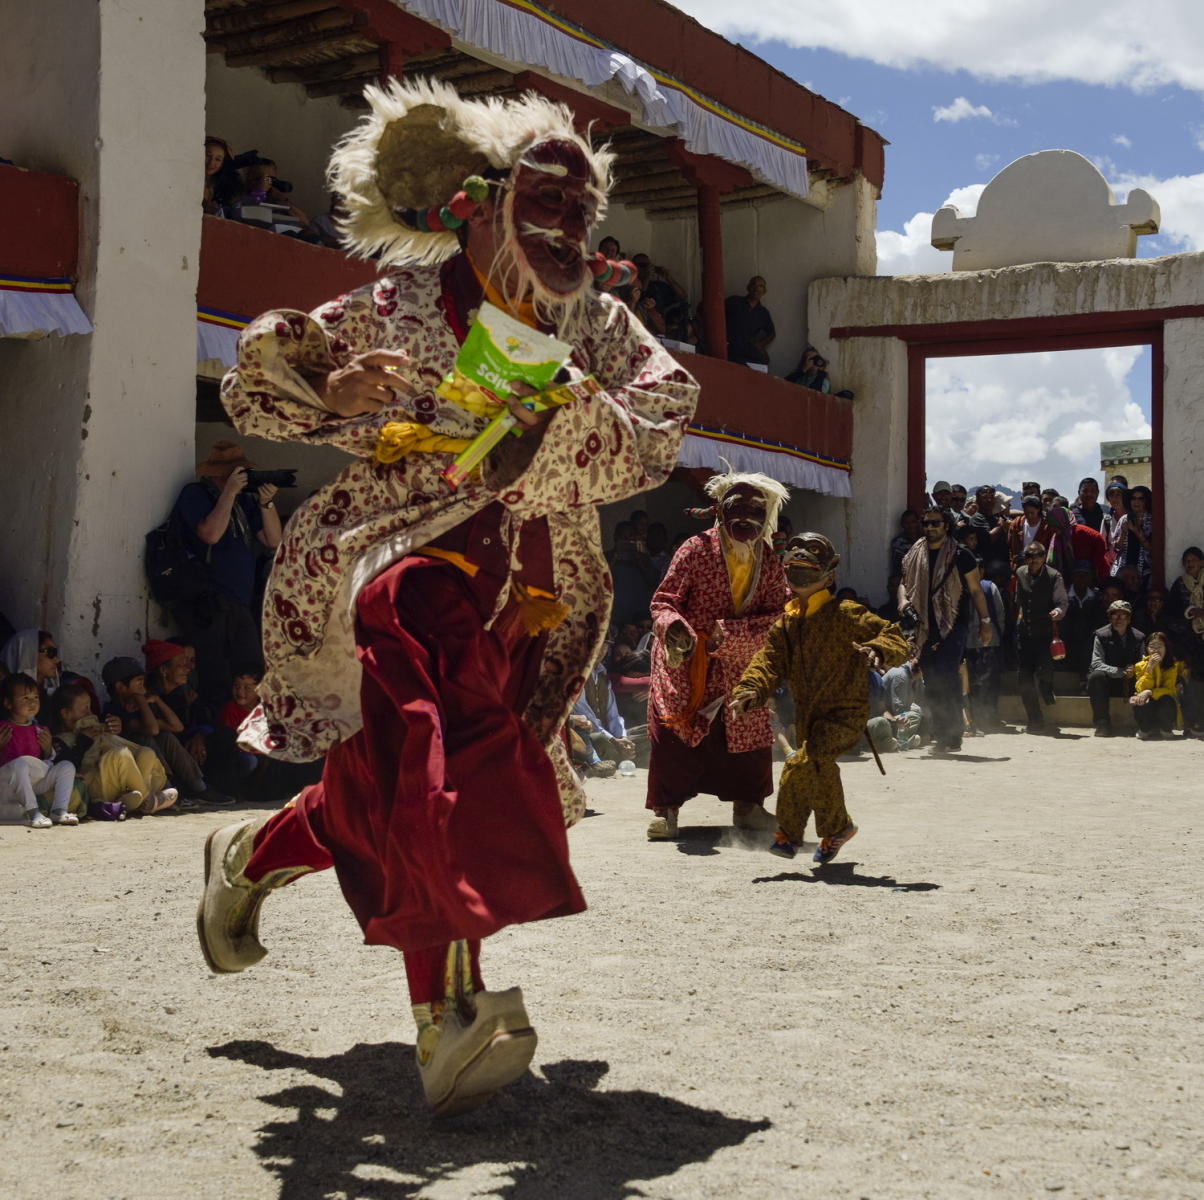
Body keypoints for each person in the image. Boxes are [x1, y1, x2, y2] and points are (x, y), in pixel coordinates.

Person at [194, 80, 698, 1118]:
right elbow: (257, 377)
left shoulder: (599, 325)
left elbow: (659, 422)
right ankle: (451, 1018)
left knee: (393, 783)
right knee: (433, 745)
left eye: (580, 212)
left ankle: (249, 855)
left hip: (532, 589)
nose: (566, 228)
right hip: (392, 564)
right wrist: (326, 392)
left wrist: (562, 415)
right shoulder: (399, 307)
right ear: (477, 201)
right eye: (543, 202)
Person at [730, 532, 908, 862]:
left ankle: (789, 835)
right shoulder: (786, 624)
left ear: (829, 577)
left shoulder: (847, 614)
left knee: (800, 761)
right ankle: (838, 828)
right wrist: (750, 690)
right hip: (809, 718)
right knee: (818, 766)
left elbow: (894, 636)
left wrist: (878, 650)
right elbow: (768, 663)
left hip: (846, 714)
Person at [644, 471, 790, 840]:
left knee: (750, 731)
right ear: (721, 512)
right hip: (688, 659)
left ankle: (749, 807)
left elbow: (780, 613)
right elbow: (664, 601)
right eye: (736, 508)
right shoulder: (695, 549)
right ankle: (667, 811)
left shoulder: (770, 562)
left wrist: (736, 636)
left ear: (766, 515)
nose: (745, 518)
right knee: (675, 732)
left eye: (755, 510)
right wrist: (674, 628)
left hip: (740, 660)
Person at [173, 441, 281, 702]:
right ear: (219, 475)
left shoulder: (245, 501)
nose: (242, 477)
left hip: (240, 602)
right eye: (236, 473)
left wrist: (266, 503)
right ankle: (212, 731)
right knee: (216, 677)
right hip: (208, 602)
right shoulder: (196, 494)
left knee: (251, 671)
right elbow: (211, 534)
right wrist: (229, 494)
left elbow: (273, 540)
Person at [898, 507, 992, 753]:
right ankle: (942, 733)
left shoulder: (961, 555)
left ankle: (953, 734)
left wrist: (985, 622)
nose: (930, 527)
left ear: (946, 525)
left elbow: (975, 590)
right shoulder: (914, 553)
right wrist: (902, 601)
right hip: (924, 625)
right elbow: (903, 582)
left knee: (949, 677)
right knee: (930, 680)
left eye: (935, 523)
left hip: (953, 624)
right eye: (926, 523)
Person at [101, 657, 230, 806]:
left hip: (152, 761)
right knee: (146, 740)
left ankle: (199, 788)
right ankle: (168, 788)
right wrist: (141, 700)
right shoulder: (115, 710)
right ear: (120, 687)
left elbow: (176, 727)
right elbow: (153, 729)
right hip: (133, 771)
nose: (143, 686)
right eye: (138, 682)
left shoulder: (137, 706)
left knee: (166, 736)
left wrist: (156, 700)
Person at [51, 684, 176, 816]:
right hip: (95, 787)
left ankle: (133, 799)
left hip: (117, 784)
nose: (90, 713)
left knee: (146, 753)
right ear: (65, 713)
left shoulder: (97, 729)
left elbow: (115, 750)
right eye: (84, 709)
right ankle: (147, 799)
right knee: (121, 754)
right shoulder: (58, 741)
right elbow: (66, 768)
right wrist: (83, 740)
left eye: (90, 708)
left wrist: (114, 730)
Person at [0, 673, 77, 827]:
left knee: (67, 766)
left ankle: (59, 810)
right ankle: (33, 812)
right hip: (7, 783)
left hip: (32, 783)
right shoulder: (3, 729)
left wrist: (48, 749)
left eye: (35, 697)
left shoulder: (40, 730)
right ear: (8, 703)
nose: (32, 703)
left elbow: (46, 759)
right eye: (25, 698)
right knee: (20, 764)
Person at [1013, 542, 1068, 735]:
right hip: (1025, 633)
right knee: (1024, 680)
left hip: (1045, 633)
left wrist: (1057, 611)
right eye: (1029, 556)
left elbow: (1062, 601)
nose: (1033, 559)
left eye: (1037, 556)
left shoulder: (1054, 576)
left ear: (1044, 557)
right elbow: (1018, 598)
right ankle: (1034, 719)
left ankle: (1047, 687)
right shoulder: (1020, 572)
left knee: (1045, 671)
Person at [1087, 600, 1146, 737]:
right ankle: (1102, 723)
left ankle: (1145, 723)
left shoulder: (1139, 637)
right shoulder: (1101, 635)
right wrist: (1119, 672)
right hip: (1108, 681)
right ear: (1109, 618)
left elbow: (1144, 662)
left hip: (1131, 681)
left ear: (1129, 619)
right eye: (1114, 616)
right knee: (1095, 677)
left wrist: (1134, 670)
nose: (1118, 619)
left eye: (1123, 616)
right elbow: (1096, 663)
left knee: (1145, 679)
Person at [1129, 632, 1182, 740]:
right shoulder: (1140, 665)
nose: (1156, 650)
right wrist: (1149, 669)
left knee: (1166, 699)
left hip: (1163, 702)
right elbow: (1141, 689)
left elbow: (1169, 689)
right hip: (1148, 704)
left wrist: (1150, 692)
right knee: (1141, 699)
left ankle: (1166, 729)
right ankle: (1145, 729)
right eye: (1152, 647)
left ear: (1166, 648)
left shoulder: (1172, 665)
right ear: (1147, 649)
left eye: (1160, 646)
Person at [1063, 560, 1104, 679]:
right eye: (1078, 575)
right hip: (1068, 638)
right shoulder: (1064, 595)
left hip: (1088, 639)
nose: (1081, 578)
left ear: (1090, 577)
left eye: (1085, 575)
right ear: (1072, 577)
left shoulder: (1097, 597)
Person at [724, 277, 775, 367]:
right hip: (730, 349)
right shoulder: (735, 302)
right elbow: (712, 309)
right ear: (748, 287)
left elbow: (772, 333)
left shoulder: (763, 312)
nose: (757, 288)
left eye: (760, 286)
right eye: (754, 284)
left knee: (763, 363)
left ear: (764, 291)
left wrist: (760, 345)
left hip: (748, 351)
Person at [1112, 484, 1154, 583]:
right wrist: (1123, 533)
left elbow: (1153, 549)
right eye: (1133, 499)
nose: (1136, 502)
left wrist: (1138, 533)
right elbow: (1116, 547)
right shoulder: (1124, 519)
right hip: (1123, 571)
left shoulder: (1152, 520)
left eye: (1140, 499)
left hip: (1144, 572)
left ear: (1146, 501)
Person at [1007, 495, 1052, 567]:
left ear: (1038, 510)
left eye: (1032, 513)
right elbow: (1010, 546)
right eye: (1027, 513)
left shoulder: (1046, 527)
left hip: (1040, 567)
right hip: (1019, 567)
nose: (1029, 516)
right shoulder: (1016, 524)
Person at [203, 136, 240, 216]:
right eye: (208, 156)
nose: (211, 163)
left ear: (223, 164)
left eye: (218, 159)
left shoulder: (225, 186)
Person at [889, 509, 921, 576]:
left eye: (913, 521)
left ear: (918, 522)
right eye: (906, 523)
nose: (910, 525)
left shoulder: (925, 539)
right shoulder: (898, 542)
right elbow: (900, 566)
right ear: (902, 524)